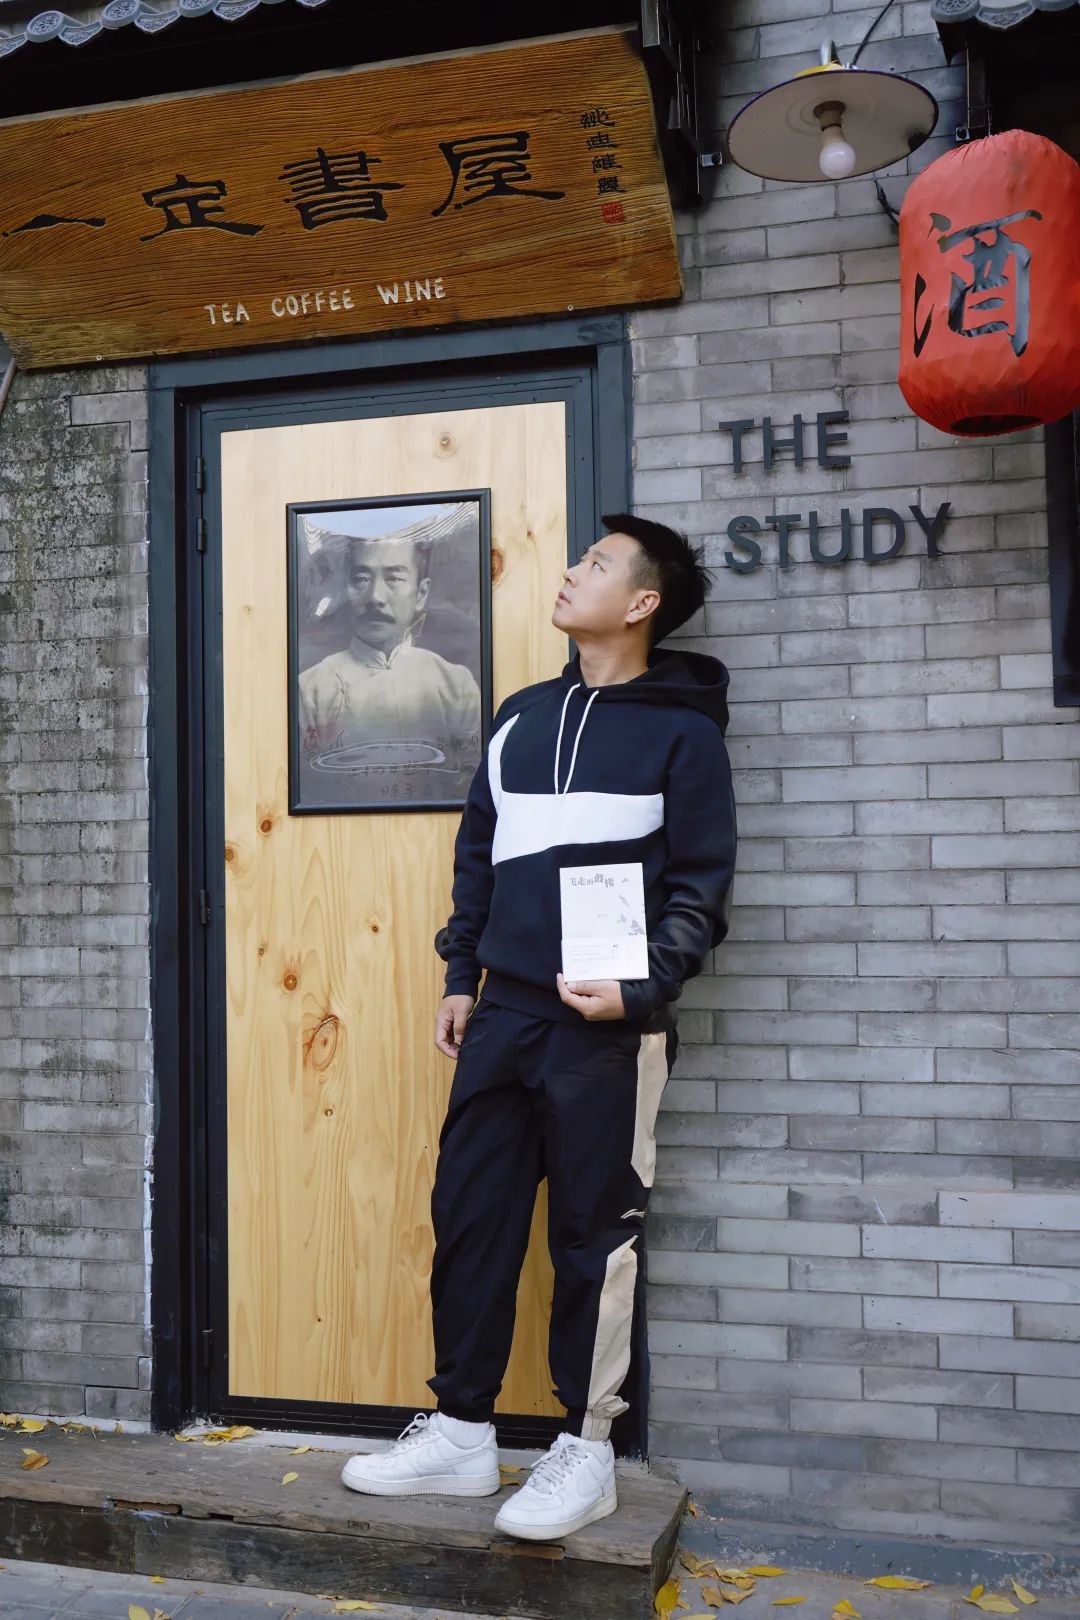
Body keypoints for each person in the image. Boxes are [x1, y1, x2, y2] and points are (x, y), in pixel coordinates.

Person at [340, 514, 736, 1540]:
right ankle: (462, 1433)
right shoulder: (519, 717)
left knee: (594, 1238)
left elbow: (701, 886)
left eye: (596, 565)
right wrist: (460, 972)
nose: (570, 572)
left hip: (607, 1025)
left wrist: (641, 989)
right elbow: (480, 851)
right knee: (472, 1217)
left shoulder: (684, 735)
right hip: (504, 1012)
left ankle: (586, 1449)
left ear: (642, 603)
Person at [297, 530, 481, 758]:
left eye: (394, 578)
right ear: (346, 588)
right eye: (361, 579)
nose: (375, 597)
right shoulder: (310, 689)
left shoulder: (456, 685)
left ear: (421, 593)